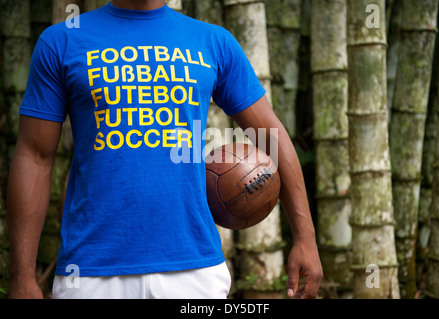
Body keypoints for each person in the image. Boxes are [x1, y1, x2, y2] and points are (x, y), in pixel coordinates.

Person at [7, 0, 322, 299]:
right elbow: (35, 156)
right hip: (91, 271)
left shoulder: (213, 41)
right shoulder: (62, 40)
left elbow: (270, 133)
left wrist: (305, 238)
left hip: (194, 268)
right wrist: (22, 277)